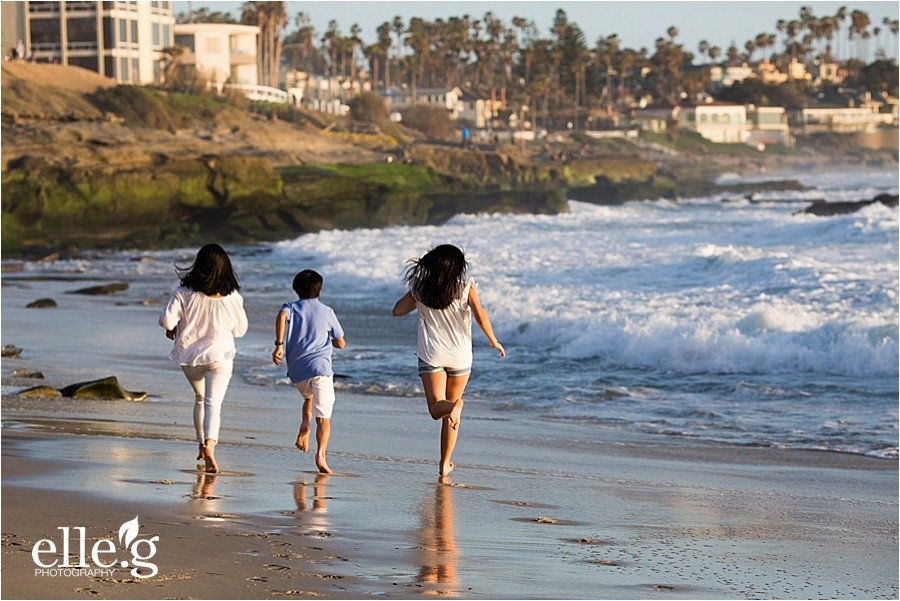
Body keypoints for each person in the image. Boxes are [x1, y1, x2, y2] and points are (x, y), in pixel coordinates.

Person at [392, 244, 505, 476]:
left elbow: (397, 311)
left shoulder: (420, 289)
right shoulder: (465, 288)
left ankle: (454, 408)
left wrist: (416, 298)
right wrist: (493, 341)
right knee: (451, 415)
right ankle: (445, 463)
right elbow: (481, 317)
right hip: (460, 357)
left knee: (437, 408)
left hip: (432, 355)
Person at [159, 244, 248, 474]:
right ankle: (209, 445)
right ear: (225, 268)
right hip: (220, 357)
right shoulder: (232, 297)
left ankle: (201, 444)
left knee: (200, 398)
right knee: (213, 403)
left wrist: (175, 326)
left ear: (198, 265)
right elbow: (240, 330)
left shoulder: (183, 291)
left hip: (190, 358)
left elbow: (166, 321)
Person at [272, 269, 345, 474]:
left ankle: (305, 422)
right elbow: (340, 342)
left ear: (296, 288)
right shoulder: (327, 312)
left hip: (297, 371)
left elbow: (281, 316)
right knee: (324, 417)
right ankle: (321, 455)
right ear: (319, 289)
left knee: (309, 397)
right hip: (320, 368)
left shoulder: (290, 307)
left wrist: (279, 345)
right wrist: (333, 341)